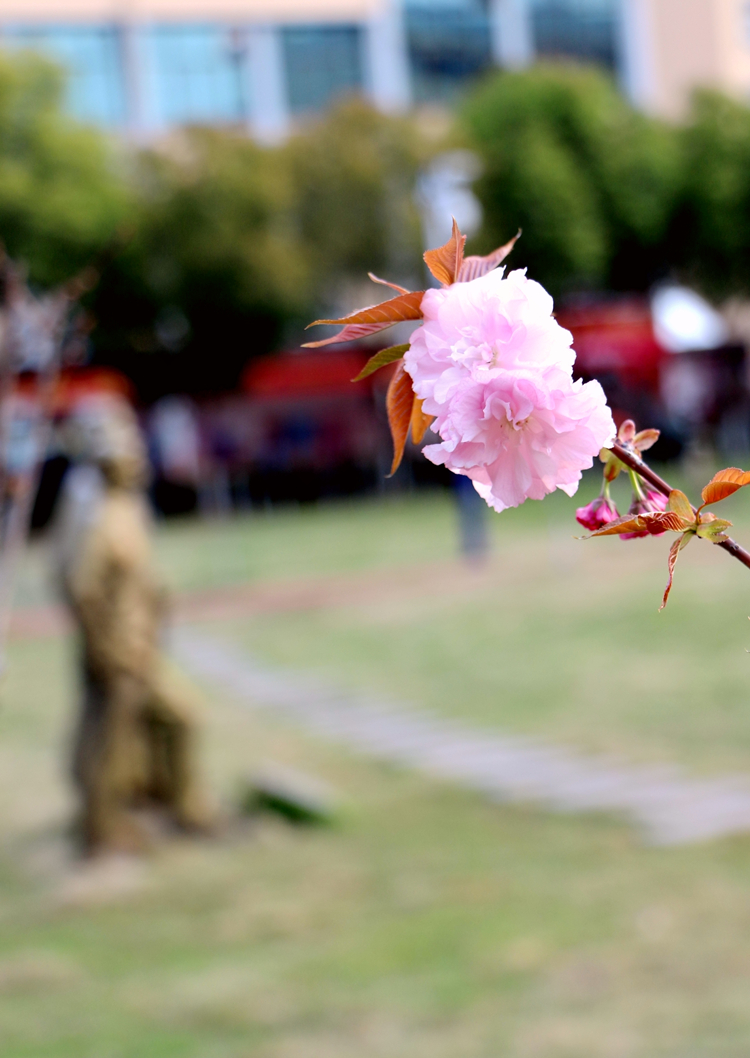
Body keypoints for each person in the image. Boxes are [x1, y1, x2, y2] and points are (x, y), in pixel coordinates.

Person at [55, 396, 216, 855]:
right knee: (111, 743)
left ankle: (184, 806)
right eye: (133, 456)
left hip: (143, 648)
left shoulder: (126, 511)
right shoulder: (102, 518)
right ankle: (103, 832)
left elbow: (142, 579)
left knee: (175, 720)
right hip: (124, 654)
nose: (141, 462)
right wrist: (108, 650)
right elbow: (82, 588)